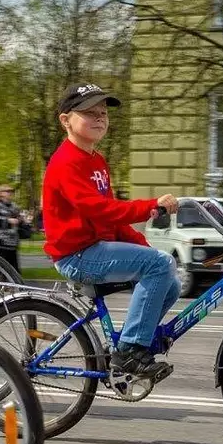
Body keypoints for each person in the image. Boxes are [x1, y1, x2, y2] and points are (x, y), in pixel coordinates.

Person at [42, 83, 181, 380]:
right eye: (89, 113)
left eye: (103, 113)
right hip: (76, 255)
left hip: (95, 248)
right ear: (65, 120)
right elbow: (100, 210)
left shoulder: (97, 160)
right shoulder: (65, 162)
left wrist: (145, 247)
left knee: (170, 281)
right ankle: (130, 352)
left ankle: (137, 342)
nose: (99, 118)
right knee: (161, 265)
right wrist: (149, 206)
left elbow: (113, 219)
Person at [0, 184, 22, 271]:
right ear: (1, 193)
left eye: (11, 191)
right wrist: (8, 220)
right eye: (7, 191)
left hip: (12, 244)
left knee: (12, 272)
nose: (10, 193)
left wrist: (20, 220)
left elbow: (19, 220)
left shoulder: (14, 207)